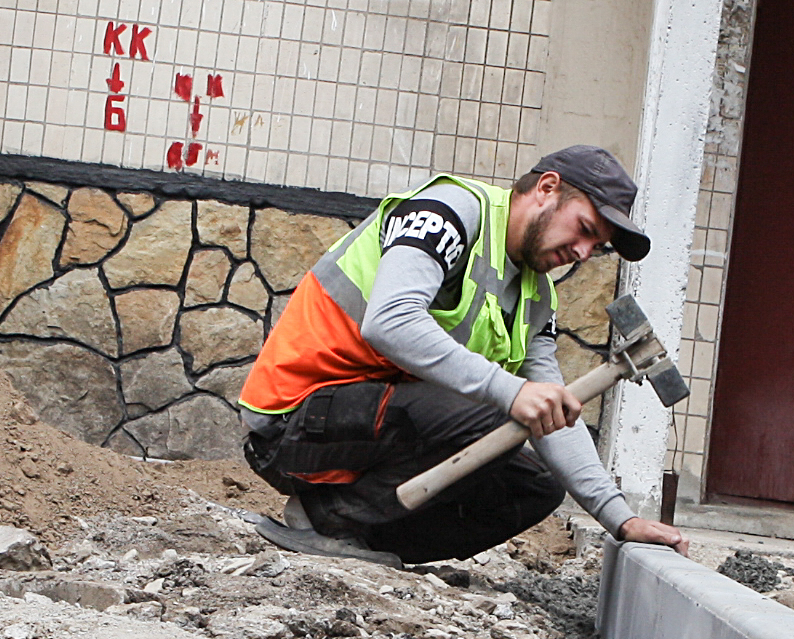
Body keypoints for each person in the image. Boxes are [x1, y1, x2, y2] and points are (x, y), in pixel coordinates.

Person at [236, 145, 686, 568]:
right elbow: (389, 320)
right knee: (489, 418)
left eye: (596, 246)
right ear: (547, 188)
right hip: (291, 426)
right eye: (585, 229)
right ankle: (325, 517)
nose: (584, 253)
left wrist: (620, 518)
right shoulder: (450, 212)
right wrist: (509, 392)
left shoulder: (536, 297)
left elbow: (551, 412)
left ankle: (359, 543)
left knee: (534, 487)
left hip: (377, 433)